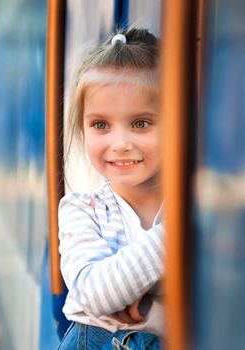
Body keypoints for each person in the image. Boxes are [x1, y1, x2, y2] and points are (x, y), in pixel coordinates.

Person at [57, 27, 164, 350]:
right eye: (100, 125)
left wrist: (142, 294)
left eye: (141, 123)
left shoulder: (202, 204)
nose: (120, 144)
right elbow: (96, 293)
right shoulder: (81, 210)